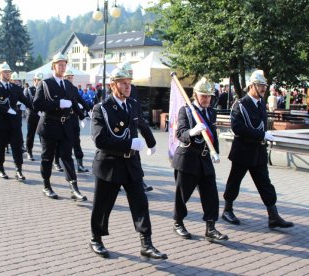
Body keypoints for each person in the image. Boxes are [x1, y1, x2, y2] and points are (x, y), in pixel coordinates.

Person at [89, 67, 166, 260]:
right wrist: (129, 143)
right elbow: (100, 141)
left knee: (141, 203)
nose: (127, 86)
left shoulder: (132, 104)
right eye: (123, 83)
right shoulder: (102, 108)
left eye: (129, 82)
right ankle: (96, 239)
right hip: (110, 164)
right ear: (112, 85)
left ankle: (146, 243)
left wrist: (152, 142)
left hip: (131, 163)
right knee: (103, 205)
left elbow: (141, 124)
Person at [222, 70, 294, 229]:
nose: (263, 88)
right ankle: (227, 210)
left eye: (264, 85)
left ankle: (273, 216)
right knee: (234, 182)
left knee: (265, 184)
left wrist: (264, 136)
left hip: (257, 152)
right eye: (260, 85)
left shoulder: (261, 103)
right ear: (251, 86)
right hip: (242, 151)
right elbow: (238, 128)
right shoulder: (240, 105)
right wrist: (262, 134)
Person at [171, 77, 228, 242]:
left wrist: (215, 152)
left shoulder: (211, 111)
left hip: (204, 159)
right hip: (188, 158)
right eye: (203, 96)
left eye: (209, 96)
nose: (207, 99)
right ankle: (178, 223)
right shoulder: (186, 111)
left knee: (211, 194)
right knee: (183, 194)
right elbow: (180, 133)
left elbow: (213, 133)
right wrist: (192, 132)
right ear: (195, 95)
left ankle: (211, 227)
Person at [33, 53, 87, 201]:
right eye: (60, 65)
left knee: (67, 157)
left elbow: (74, 102)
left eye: (64, 65)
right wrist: (57, 104)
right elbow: (37, 104)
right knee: (47, 157)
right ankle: (46, 185)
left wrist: (82, 116)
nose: (62, 67)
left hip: (65, 126)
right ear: (53, 66)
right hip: (49, 125)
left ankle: (74, 188)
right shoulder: (45, 84)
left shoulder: (68, 85)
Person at [0, 62, 32, 181]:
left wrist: (36, 108)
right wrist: (6, 110)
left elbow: (25, 100)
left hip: (14, 122)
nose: (8, 74)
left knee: (17, 146)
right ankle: (0, 168)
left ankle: (18, 169)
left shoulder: (15, 87)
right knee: (0, 146)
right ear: (1, 73)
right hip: (0, 122)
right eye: (6, 72)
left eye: (9, 72)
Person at [117, 61, 154, 192]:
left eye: (131, 73)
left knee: (135, 156)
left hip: (132, 127)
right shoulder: (115, 87)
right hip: (119, 129)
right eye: (128, 72)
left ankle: (140, 181)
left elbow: (138, 114)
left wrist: (151, 142)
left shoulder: (134, 88)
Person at [24, 72, 43, 161]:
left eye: (40, 80)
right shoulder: (29, 90)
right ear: (34, 80)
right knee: (30, 135)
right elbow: (28, 103)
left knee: (42, 135)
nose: (39, 82)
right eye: (38, 80)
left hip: (41, 116)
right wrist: (37, 111)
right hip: (32, 116)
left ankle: (44, 152)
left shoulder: (43, 90)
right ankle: (29, 151)